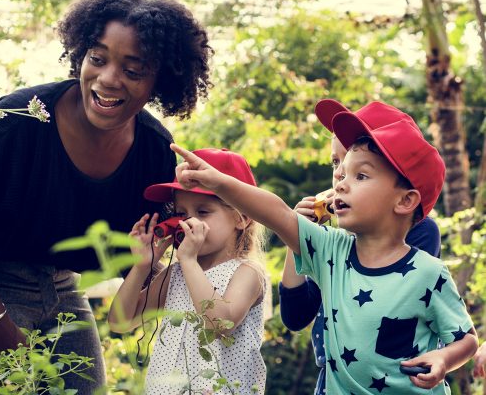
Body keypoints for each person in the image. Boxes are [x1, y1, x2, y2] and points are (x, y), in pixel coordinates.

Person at [0, 0, 212, 393]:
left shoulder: (154, 150)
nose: (109, 78)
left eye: (133, 69)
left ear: (159, 81)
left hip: (58, 285)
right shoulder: (20, 115)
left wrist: (211, 291)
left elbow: (135, 255)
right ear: (80, 55)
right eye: (98, 58)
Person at [170, 100, 479, 394]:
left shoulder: (429, 272)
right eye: (340, 168)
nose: (340, 181)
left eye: (360, 175)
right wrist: (220, 183)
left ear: (405, 200)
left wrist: (444, 359)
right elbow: (277, 213)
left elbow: (465, 339)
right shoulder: (331, 249)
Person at [279, 99, 442, 395]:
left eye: (359, 170)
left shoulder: (420, 233)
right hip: (335, 382)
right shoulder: (335, 240)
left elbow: (382, 307)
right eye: (335, 162)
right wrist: (298, 238)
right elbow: (295, 317)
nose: (340, 174)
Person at [108, 148, 267, 394]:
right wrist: (142, 266)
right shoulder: (177, 273)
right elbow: (120, 321)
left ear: (242, 218)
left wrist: (190, 262)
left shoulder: (247, 273)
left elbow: (220, 324)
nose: (186, 222)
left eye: (203, 212)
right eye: (181, 213)